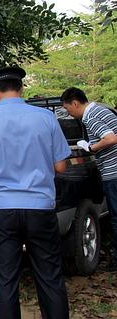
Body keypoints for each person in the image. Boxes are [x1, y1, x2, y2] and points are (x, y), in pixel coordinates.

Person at [0, 67, 71, 319]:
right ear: (21, 88)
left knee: (6, 279)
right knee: (50, 277)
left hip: (4, 210)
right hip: (40, 208)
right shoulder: (46, 118)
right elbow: (60, 166)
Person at [61, 87, 117, 271]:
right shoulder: (102, 110)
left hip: (113, 173)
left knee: (116, 217)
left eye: (68, 109)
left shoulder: (90, 117)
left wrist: (91, 147)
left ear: (75, 103)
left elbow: (110, 138)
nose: (68, 114)